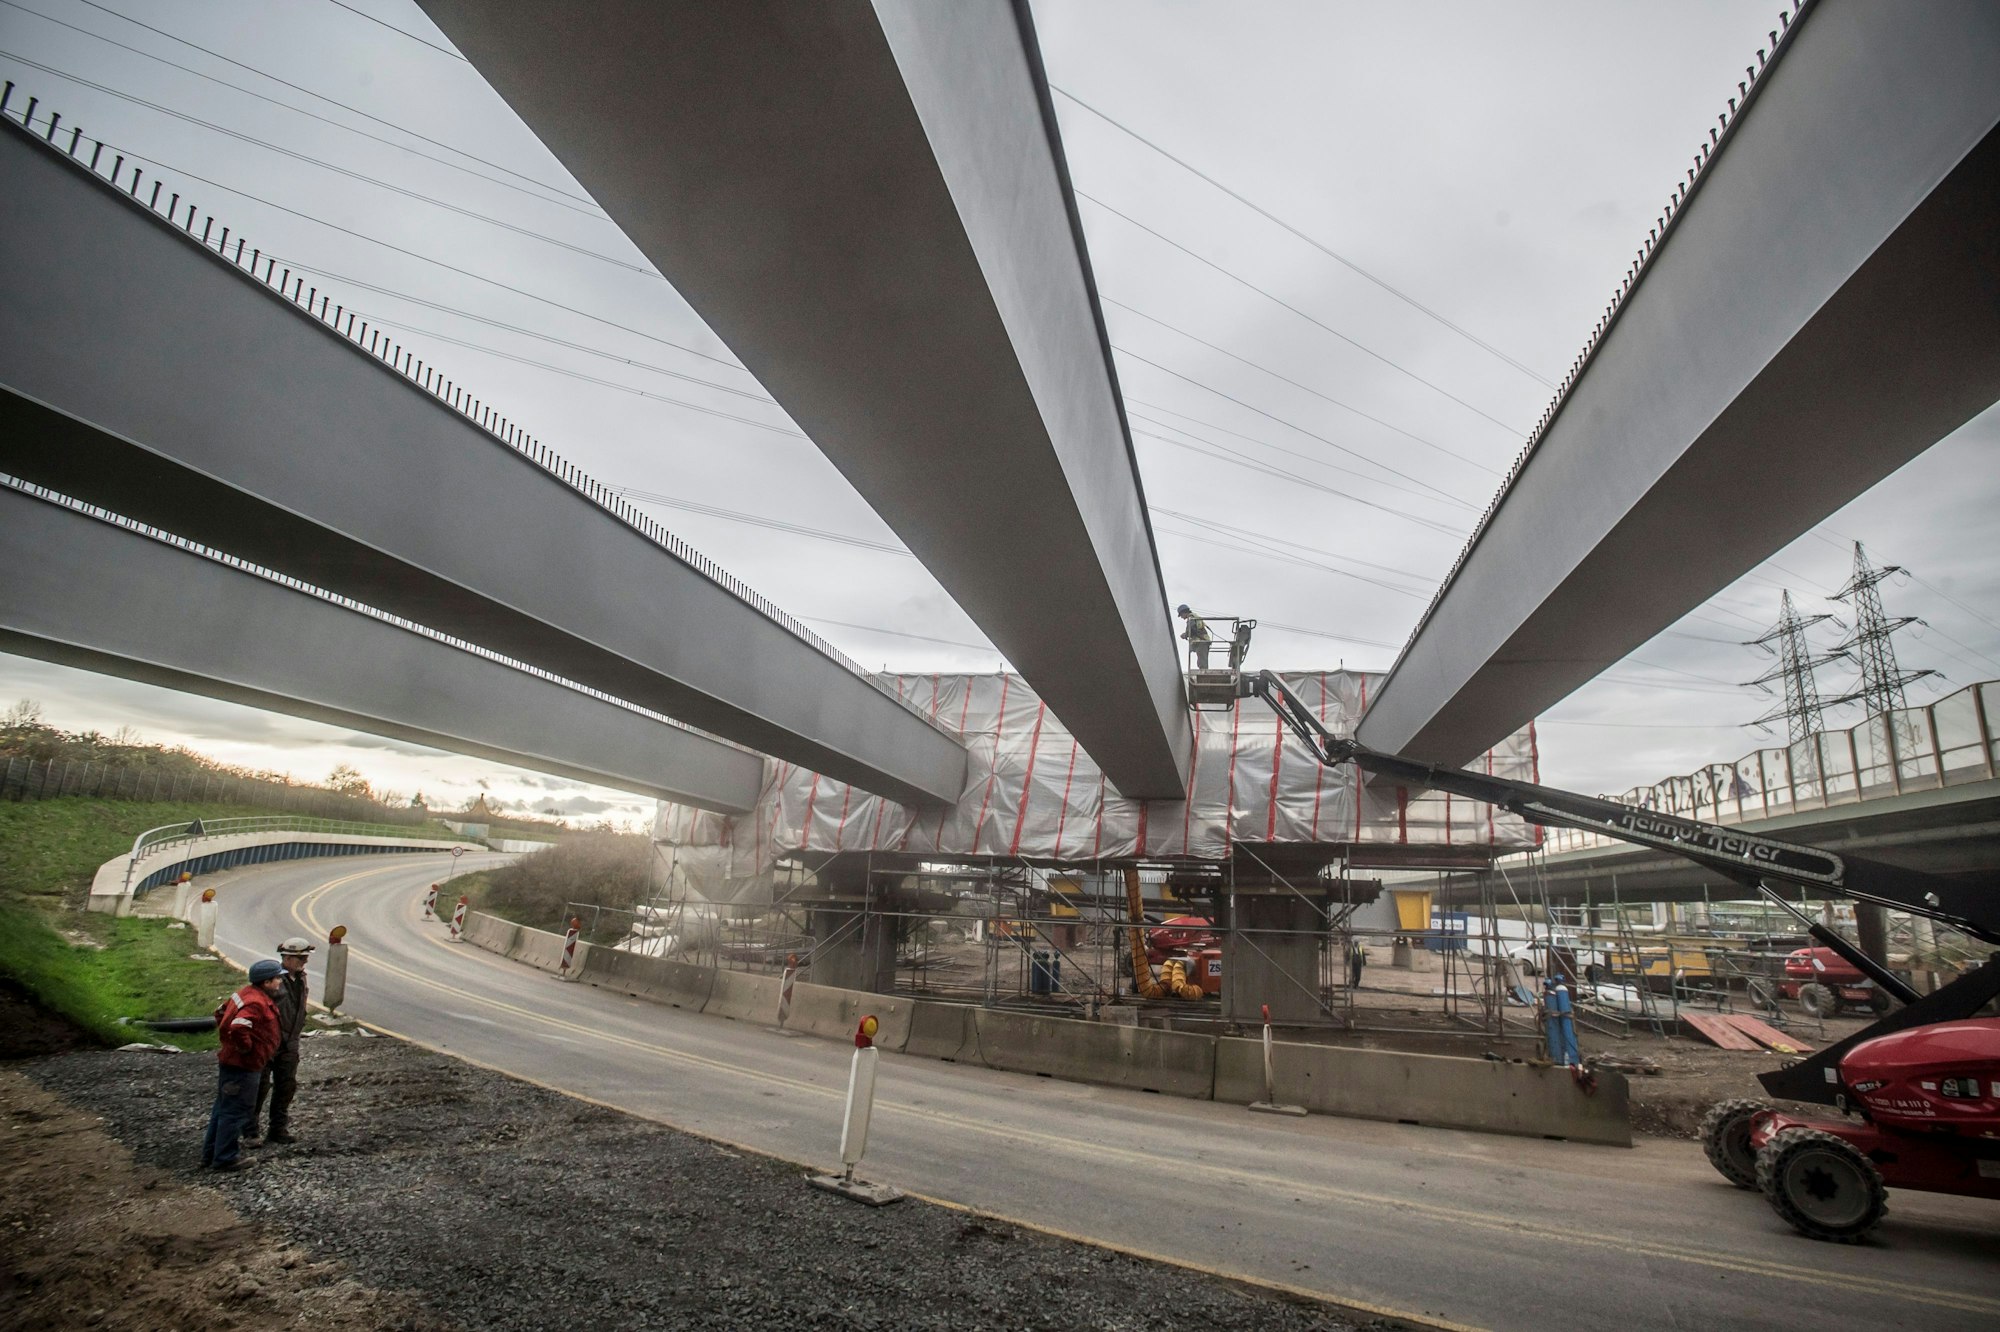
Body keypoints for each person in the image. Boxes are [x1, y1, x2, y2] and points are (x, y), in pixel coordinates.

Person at [201, 960, 284, 1172]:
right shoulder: (256, 1002)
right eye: (277, 978)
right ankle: (225, 1158)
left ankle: (210, 1154)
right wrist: (246, 1048)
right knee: (235, 1112)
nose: (280, 982)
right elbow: (239, 1027)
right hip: (243, 1066)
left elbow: (220, 1012)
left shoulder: (244, 994)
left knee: (222, 1109)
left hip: (232, 1063)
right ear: (266, 982)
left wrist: (230, 1043)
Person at [244, 936, 313, 1147]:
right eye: (300, 957)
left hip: (290, 1043)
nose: (304, 961)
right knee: (260, 1087)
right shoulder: (271, 980)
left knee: (286, 1087)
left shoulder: (301, 978)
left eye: (305, 957)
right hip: (268, 1043)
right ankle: (250, 1132)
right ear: (286, 957)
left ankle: (278, 1129)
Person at [1177, 604, 1214, 668]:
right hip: (1203, 641)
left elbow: (1192, 629)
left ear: (1184, 612)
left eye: (1181, 615)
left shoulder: (1191, 618)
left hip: (1201, 641)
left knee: (1202, 660)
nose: (1181, 617)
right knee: (1202, 659)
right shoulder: (1193, 617)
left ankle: (1203, 672)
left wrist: (1185, 635)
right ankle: (1203, 670)